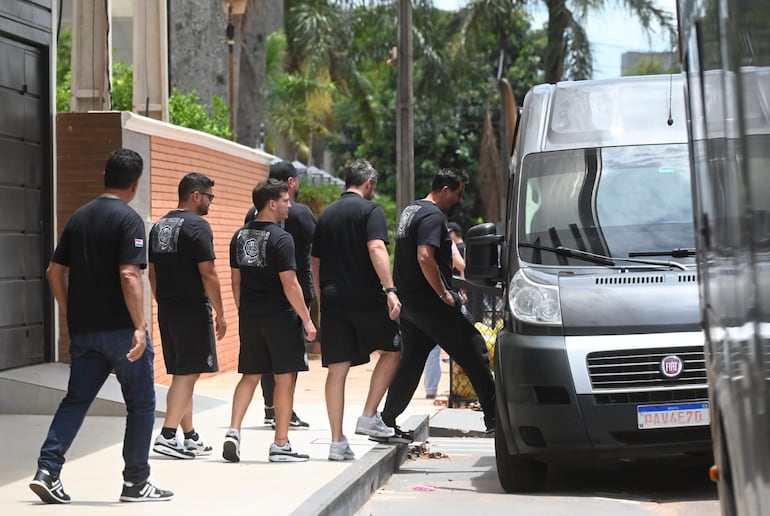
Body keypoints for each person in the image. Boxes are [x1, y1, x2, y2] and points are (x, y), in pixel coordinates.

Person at [29, 149, 173, 504]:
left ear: (104, 175)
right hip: (123, 333)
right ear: (135, 182)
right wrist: (140, 326)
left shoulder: (78, 217)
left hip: (85, 332)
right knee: (140, 404)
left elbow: (53, 272)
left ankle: (47, 470)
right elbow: (129, 274)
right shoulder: (129, 220)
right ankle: (136, 482)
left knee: (76, 400)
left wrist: (71, 311)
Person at [382, 168, 496, 434]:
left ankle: (387, 420)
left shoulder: (411, 211)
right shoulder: (433, 215)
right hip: (431, 303)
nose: (460, 200)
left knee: (411, 363)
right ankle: (495, 419)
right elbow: (424, 256)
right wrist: (443, 293)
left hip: (410, 304)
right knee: (475, 351)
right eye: (458, 194)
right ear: (445, 190)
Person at [311, 158, 403, 461]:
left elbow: (315, 263)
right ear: (369, 184)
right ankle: (367, 415)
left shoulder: (325, 216)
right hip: (364, 295)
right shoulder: (370, 210)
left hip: (333, 298)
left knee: (336, 369)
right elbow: (376, 248)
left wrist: (321, 300)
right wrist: (390, 289)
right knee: (393, 348)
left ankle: (337, 442)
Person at [223, 179, 317, 463]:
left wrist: (244, 311)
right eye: (285, 201)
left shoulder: (239, 237)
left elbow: (235, 281)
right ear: (271, 204)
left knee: (250, 375)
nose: (290, 205)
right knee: (285, 378)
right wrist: (308, 320)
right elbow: (290, 284)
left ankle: (233, 431)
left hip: (250, 316)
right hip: (280, 317)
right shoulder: (281, 238)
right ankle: (280, 443)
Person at [148, 173, 227, 459]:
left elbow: (152, 272)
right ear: (195, 195)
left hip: (168, 310)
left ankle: (189, 436)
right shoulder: (198, 226)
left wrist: (162, 300)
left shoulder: (158, 227)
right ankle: (168, 436)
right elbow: (209, 273)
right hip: (192, 310)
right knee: (189, 373)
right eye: (209, 197)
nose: (210, 202)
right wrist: (221, 312)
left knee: (183, 374)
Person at [244, 161, 315, 429]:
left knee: (263, 356)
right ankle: (287, 411)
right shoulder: (300, 213)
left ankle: (269, 407)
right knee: (290, 357)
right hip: (293, 289)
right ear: (290, 182)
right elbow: (317, 246)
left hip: (257, 293)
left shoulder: (253, 213)